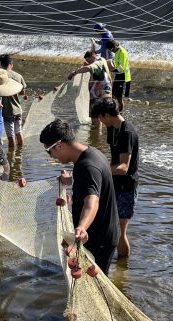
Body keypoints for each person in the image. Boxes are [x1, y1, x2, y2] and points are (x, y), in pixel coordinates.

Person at [40, 119, 120, 275]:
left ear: (59, 145)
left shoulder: (88, 166)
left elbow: (92, 201)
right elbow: (92, 183)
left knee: (95, 284)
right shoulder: (89, 154)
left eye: (49, 151)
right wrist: (70, 180)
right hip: (102, 233)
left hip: (99, 239)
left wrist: (82, 226)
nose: (52, 157)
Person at [91, 97, 139, 258]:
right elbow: (113, 159)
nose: (100, 122)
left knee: (120, 232)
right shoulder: (112, 128)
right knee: (107, 225)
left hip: (126, 187)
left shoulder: (127, 132)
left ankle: (122, 268)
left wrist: (99, 170)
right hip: (114, 183)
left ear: (107, 115)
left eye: (100, 118)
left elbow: (124, 168)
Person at [68, 50, 112, 129]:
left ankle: (97, 132)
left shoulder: (97, 63)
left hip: (99, 92)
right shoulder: (102, 59)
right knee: (102, 112)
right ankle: (97, 131)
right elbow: (94, 67)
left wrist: (74, 72)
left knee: (95, 113)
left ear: (92, 56)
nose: (88, 62)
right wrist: (89, 64)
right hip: (105, 89)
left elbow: (89, 68)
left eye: (88, 60)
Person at [0, 54, 27, 148]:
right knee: (18, 133)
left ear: (1, 65)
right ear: (11, 64)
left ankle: (11, 158)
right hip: (18, 109)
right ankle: (19, 155)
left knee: (10, 137)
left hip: (7, 111)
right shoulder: (18, 76)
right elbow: (23, 92)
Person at [106, 39, 131, 112]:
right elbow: (116, 64)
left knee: (119, 98)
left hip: (124, 77)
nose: (112, 51)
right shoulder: (117, 51)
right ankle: (115, 111)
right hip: (118, 75)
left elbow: (121, 68)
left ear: (115, 46)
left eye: (112, 49)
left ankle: (120, 113)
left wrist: (109, 70)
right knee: (113, 94)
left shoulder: (122, 52)